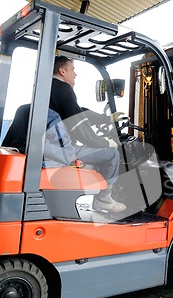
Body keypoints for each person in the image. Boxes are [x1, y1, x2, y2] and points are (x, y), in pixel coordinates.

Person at [49, 55, 126, 213]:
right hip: (61, 150)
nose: (75, 74)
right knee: (112, 155)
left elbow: (78, 113)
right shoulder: (63, 89)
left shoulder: (50, 88)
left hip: (52, 146)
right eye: (73, 69)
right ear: (63, 71)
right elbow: (80, 126)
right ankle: (103, 201)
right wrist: (104, 143)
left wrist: (107, 119)